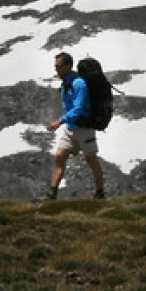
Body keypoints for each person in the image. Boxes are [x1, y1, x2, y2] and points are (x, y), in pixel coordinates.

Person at [43, 52, 105, 200]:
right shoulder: (66, 83)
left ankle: (100, 192)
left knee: (91, 160)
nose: (56, 69)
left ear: (68, 66)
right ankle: (52, 193)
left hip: (84, 128)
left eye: (59, 66)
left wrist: (60, 121)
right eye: (55, 66)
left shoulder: (78, 83)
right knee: (59, 156)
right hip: (71, 128)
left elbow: (80, 108)